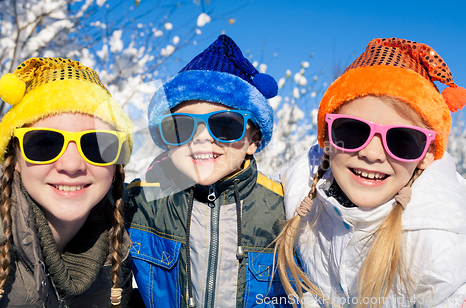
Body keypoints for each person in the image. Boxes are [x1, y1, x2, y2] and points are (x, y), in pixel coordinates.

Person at [276, 38, 466, 307]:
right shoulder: (298, 192)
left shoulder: (441, 248)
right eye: (352, 131)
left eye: (402, 139)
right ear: (327, 139)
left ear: (426, 154)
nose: (372, 154)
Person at [124, 35, 290, 307]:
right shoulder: (137, 204)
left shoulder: (283, 210)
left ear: (253, 140)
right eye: (181, 127)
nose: (201, 138)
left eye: (225, 125)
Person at [0, 58, 136, 307]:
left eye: (95, 145)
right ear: (15, 160)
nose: (72, 165)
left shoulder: (123, 249)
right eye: (45, 143)